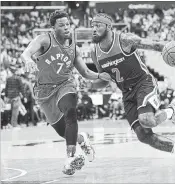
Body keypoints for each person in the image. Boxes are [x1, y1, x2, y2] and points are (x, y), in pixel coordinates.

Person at [88, 13, 175, 173]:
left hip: (143, 84)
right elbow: (104, 79)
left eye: (98, 25)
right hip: (126, 93)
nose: (93, 29)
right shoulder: (95, 53)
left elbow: (156, 45)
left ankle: (171, 112)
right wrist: (91, 83)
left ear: (109, 27)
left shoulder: (124, 40)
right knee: (144, 136)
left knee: (146, 120)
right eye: (92, 25)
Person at [21, 10, 111, 175]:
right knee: (63, 131)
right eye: (61, 25)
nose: (66, 28)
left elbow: (85, 72)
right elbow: (26, 53)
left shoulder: (73, 48)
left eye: (67, 24)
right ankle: (82, 140)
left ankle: (70, 157)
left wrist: (100, 75)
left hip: (65, 84)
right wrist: (27, 60)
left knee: (70, 111)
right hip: (44, 92)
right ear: (53, 28)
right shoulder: (44, 40)